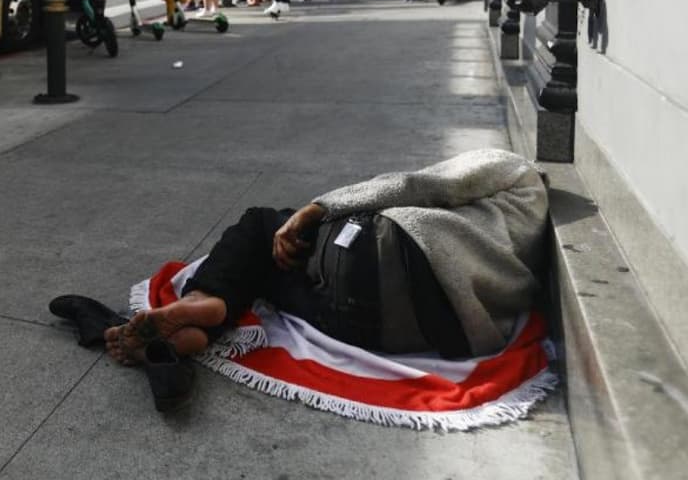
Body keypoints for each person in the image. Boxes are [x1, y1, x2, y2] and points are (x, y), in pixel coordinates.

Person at [104, 149, 549, 365]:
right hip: (383, 331)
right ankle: (202, 322)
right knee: (266, 274)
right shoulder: (528, 254)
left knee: (263, 226)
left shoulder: (516, 170)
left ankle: (207, 301)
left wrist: (316, 209)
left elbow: (422, 184)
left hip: (381, 252)